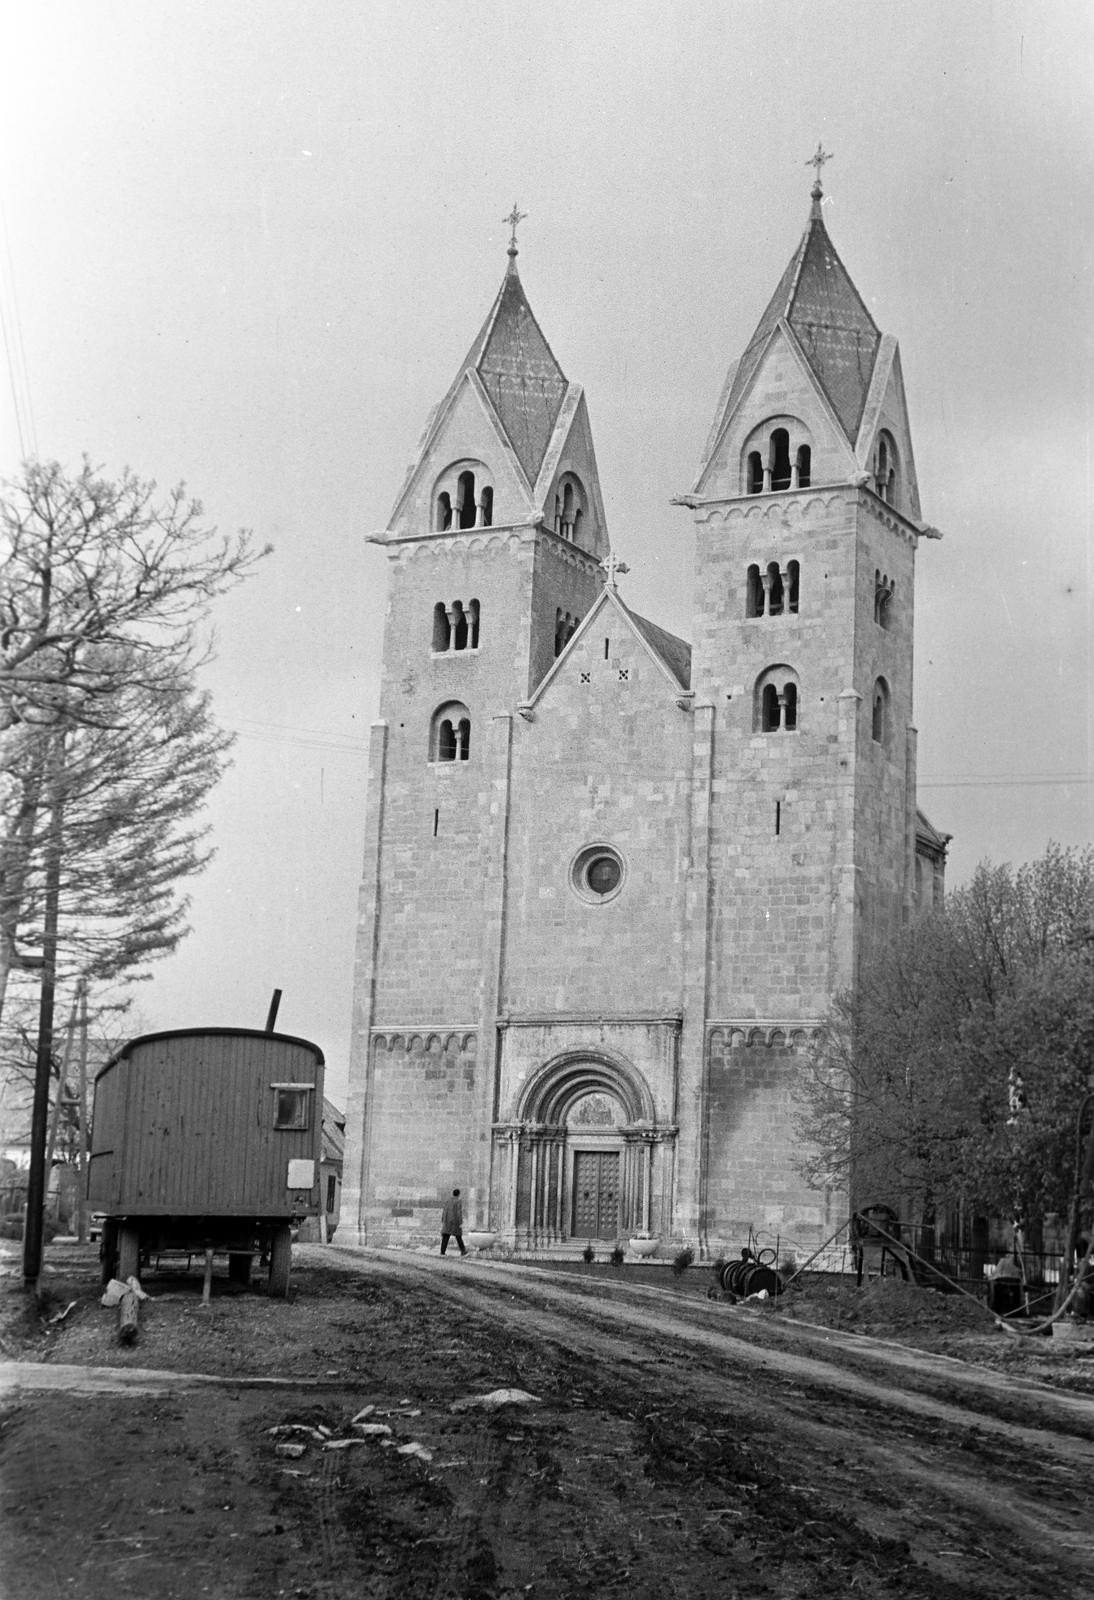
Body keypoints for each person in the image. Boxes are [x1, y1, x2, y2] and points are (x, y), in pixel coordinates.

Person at [440, 1188, 467, 1256]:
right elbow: (459, 1212)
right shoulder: (458, 1201)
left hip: (447, 1221)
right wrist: (461, 1222)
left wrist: (443, 1219)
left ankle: (442, 1251)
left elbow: (444, 1210)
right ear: (459, 1194)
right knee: (458, 1236)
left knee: (445, 1236)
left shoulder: (448, 1201)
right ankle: (463, 1251)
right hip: (455, 1222)